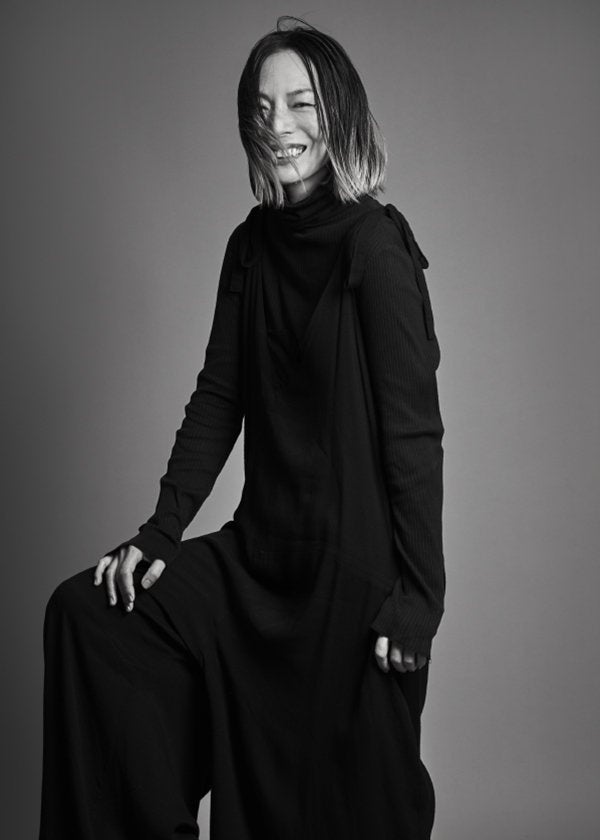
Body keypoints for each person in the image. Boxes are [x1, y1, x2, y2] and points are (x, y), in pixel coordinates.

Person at [38, 16, 445, 840]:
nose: (277, 125)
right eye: (262, 108)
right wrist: (160, 532)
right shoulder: (249, 246)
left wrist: (420, 599)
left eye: (300, 104)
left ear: (338, 114)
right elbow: (220, 396)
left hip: (349, 579)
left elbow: (413, 438)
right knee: (86, 614)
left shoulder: (376, 248)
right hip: (257, 561)